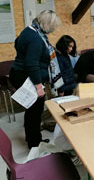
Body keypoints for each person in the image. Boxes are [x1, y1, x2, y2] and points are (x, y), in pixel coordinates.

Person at [9, 10, 62, 148]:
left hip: (20, 73)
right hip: (26, 76)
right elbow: (32, 64)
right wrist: (39, 86)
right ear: (47, 24)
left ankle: (33, 138)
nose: (53, 30)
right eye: (53, 27)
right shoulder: (36, 39)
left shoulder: (29, 30)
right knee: (35, 109)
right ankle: (34, 144)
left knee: (33, 109)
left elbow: (17, 44)